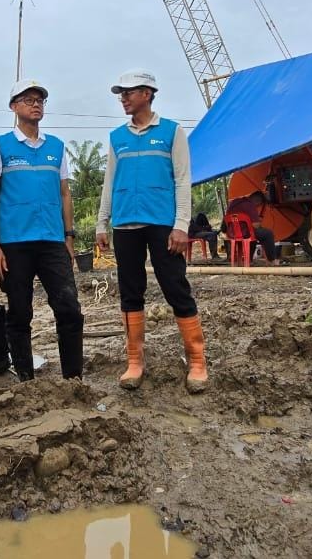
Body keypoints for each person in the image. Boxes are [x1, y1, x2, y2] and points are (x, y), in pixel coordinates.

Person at [95, 70, 208, 393]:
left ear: (147, 93)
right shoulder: (118, 137)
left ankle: (197, 360)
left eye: (129, 92)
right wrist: (102, 223)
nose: (123, 98)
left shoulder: (172, 132)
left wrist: (181, 225)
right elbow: (110, 182)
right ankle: (134, 361)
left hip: (163, 225)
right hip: (126, 225)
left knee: (176, 287)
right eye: (121, 93)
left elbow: (182, 180)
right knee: (131, 291)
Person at [0, 78, 84, 382]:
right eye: (28, 99)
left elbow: (65, 193)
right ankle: (26, 378)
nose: (36, 104)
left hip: (53, 241)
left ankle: (73, 378)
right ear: (14, 107)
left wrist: (69, 236)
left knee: (69, 308)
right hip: (14, 244)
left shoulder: (56, 147)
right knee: (20, 313)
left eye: (40, 100)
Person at [223, 191, 280, 263]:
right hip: (245, 233)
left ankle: (249, 260)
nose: (257, 206)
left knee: (253, 237)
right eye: (258, 204)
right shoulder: (250, 205)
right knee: (268, 234)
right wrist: (258, 221)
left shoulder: (233, 203)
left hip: (231, 234)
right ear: (257, 201)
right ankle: (272, 260)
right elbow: (255, 225)